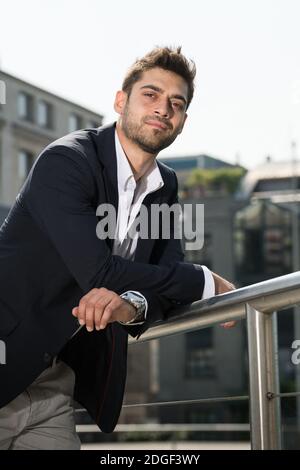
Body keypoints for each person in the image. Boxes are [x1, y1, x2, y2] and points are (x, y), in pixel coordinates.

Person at [0, 46, 235, 450]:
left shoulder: (165, 184)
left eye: (175, 103)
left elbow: (165, 279)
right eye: (151, 94)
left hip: (55, 380)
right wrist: (204, 280)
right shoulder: (66, 161)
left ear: (182, 121)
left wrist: (132, 304)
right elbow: (99, 272)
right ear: (120, 101)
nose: (163, 108)